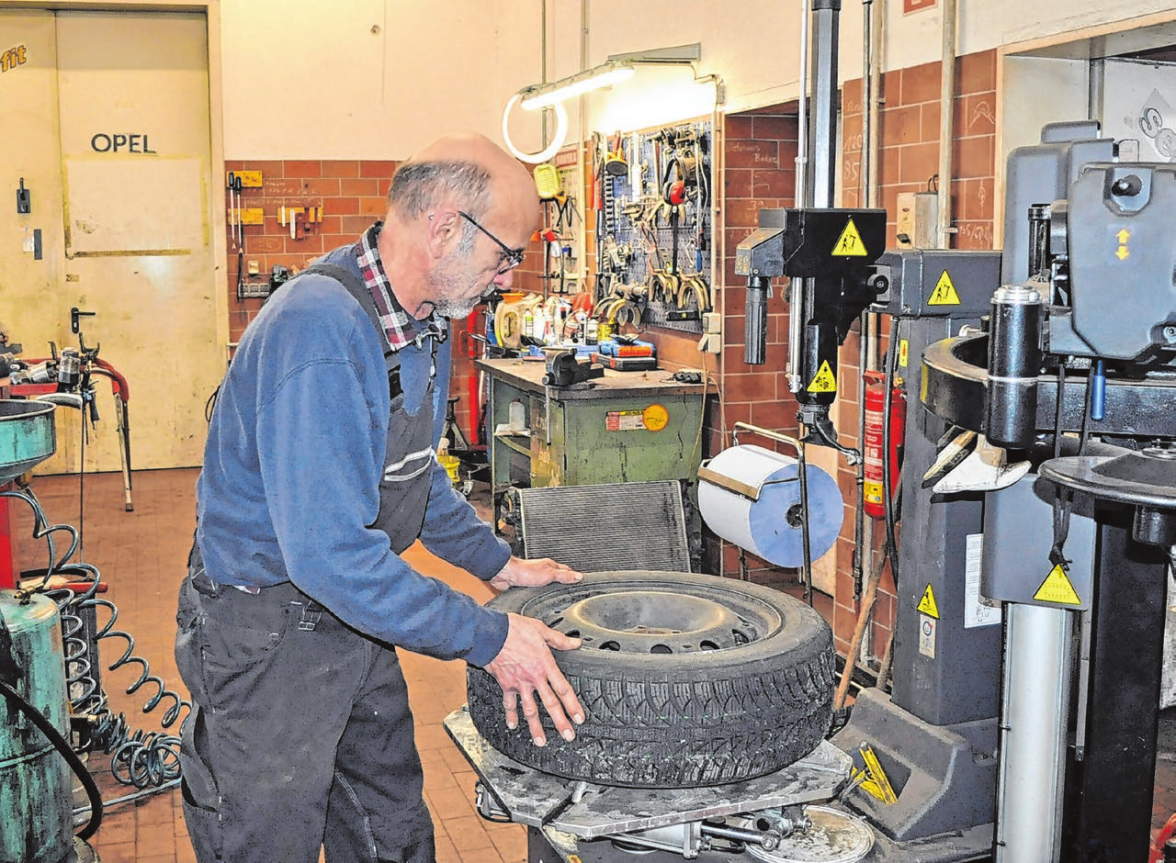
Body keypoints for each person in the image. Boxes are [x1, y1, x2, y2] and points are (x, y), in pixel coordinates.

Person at [175, 132, 586, 863]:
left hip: (352, 618)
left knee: (387, 824)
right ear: (446, 227)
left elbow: (413, 471)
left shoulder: (421, 322)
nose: (506, 277)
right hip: (267, 625)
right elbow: (329, 553)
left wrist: (495, 564)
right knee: (270, 838)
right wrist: (491, 639)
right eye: (505, 255)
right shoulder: (323, 330)